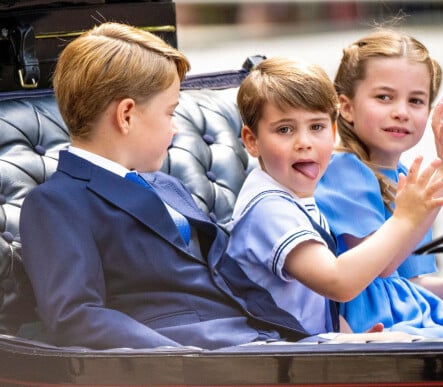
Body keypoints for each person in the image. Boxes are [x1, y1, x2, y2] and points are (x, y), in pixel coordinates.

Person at [19, 22, 311, 350]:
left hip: (265, 345)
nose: (175, 128)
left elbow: (236, 284)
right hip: (196, 360)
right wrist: (180, 359)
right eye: (170, 113)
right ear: (126, 115)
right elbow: (76, 316)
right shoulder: (57, 202)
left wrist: (318, 343)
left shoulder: (168, 186)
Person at [226, 56, 443, 335]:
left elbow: (321, 306)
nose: (304, 143)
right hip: (286, 363)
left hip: (321, 351)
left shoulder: (297, 198)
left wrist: (355, 340)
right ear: (252, 141)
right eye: (285, 129)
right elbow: (338, 283)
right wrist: (403, 220)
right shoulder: (268, 209)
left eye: (316, 127)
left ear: (333, 131)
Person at [314, 28, 443, 338]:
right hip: (376, 326)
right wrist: (442, 184)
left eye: (416, 101)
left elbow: (411, 285)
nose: (401, 112)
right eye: (384, 97)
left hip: (407, 315)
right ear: (346, 107)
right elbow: (382, 267)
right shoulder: (344, 170)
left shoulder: (403, 179)